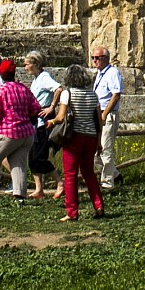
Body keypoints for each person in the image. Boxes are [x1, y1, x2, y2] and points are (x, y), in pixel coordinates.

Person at [45, 64, 105, 222]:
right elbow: (99, 121)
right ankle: (98, 204)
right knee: (89, 172)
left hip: (74, 137)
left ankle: (72, 211)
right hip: (91, 137)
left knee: (70, 175)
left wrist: (51, 122)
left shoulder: (67, 93)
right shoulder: (93, 95)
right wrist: (99, 142)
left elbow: (61, 117)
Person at [0, 57, 40, 204]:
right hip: (26, 133)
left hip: (8, 132)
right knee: (18, 162)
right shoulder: (23, 88)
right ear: (14, 73)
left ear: (1, 74)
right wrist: (23, 116)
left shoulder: (0, 91)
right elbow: (36, 108)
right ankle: (20, 196)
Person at [24, 53, 60, 191]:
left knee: (39, 157)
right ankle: (39, 188)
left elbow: (58, 89)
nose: (25, 67)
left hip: (42, 123)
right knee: (32, 156)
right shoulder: (36, 79)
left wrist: (51, 107)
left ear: (35, 63)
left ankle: (59, 182)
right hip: (34, 122)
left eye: (27, 64)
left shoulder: (45, 77)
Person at [91, 46, 124, 192]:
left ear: (106, 58)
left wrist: (105, 114)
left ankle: (107, 182)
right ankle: (115, 175)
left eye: (97, 58)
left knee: (105, 148)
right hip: (98, 114)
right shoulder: (99, 74)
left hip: (107, 114)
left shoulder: (112, 73)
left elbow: (116, 94)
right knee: (96, 150)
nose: (94, 61)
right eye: (93, 58)